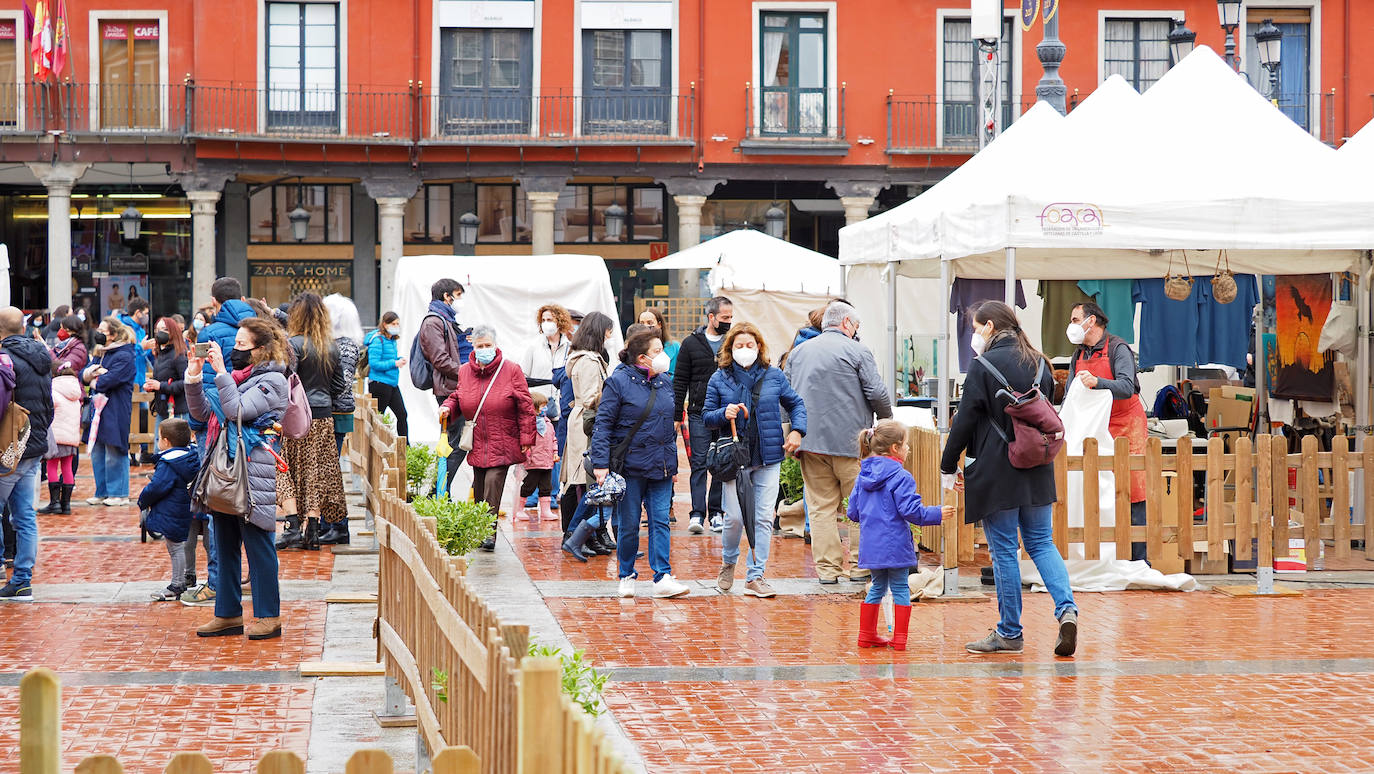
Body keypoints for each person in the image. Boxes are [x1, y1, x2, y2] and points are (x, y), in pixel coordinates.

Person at [940, 300, 1078, 657]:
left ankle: (1010, 633)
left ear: (989, 327)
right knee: (1042, 543)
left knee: (1003, 550)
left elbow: (965, 420)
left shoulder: (983, 366)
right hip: (1036, 466)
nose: (974, 335)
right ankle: (1067, 610)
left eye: (975, 328)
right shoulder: (1039, 363)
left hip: (996, 470)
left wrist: (947, 464)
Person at [185, 318, 289, 640]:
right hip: (225, 470)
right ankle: (228, 614)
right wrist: (193, 375)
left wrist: (219, 373)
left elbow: (236, 410)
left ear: (261, 350)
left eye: (242, 345)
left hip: (252, 470)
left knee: (258, 545)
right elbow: (203, 413)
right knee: (226, 541)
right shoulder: (236, 378)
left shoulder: (272, 381)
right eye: (236, 344)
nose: (235, 350)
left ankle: (269, 616)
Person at [784, 300, 892, 585]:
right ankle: (859, 566)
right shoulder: (858, 350)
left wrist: (791, 432)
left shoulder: (798, 353)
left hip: (810, 442)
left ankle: (828, 570)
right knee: (861, 505)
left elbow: (786, 397)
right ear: (846, 323)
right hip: (852, 444)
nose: (857, 331)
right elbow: (877, 392)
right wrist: (887, 420)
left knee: (820, 508)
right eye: (856, 325)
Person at [703, 322, 806, 599]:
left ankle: (755, 575)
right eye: (739, 346)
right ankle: (728, 561)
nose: (745, 350)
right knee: (734, 518)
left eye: (750, 345)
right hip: (734, 459)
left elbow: (795, 403)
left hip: (768, 456)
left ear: (759, 347)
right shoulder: (719, 378)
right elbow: (706, 416)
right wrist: (723, 413)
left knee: (762, 518)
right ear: (730, 349)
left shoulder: (774, 376)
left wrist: (797, 430)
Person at [591, 330, 690, 599]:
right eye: (658, 351)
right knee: (630, 523)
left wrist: (673, 467)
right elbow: (603, 425)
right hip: (630, 466)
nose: (664, 356)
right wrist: (600, 463)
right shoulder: (618, 382)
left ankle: (663, 576)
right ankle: (626, 575)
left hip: (661, 465)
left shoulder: (665, 382)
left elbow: (669, 428)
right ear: (643, 357)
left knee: (661, 520)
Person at [847, 420, 952, 650]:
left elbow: (852, 512)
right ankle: (900, 638)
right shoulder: (901, 477)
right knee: (900, 587)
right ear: (895, 448)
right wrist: (937, 513)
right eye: (906, 445)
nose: (908, 449)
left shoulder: (862, 476)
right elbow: (911, 511)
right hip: (895, 545)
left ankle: (866, 635)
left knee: (877, 586)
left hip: (871, 546)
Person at [438, 324, 534, 551]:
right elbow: (459, 396)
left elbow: (526, 405)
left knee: (493, 481)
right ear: (472, 346)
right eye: (480, 346)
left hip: (504, 438)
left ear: (495, 345)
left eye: (488, 345)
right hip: (478, 440)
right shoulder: (464, 371)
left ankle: (488, 533)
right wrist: (448, 407)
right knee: (480, 486)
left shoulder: (511, 369)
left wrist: (526, 438)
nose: (484, 349)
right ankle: (481, 528)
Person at [1067, 300, 1149, 563]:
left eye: (1075, 320)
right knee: (1095, 487)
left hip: (1127, 424)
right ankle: (1104, 555)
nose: (1072, 326)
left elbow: (1128, 387)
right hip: (1095, 426)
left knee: (1133, 488)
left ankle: (1139, 560)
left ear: (1092, 321)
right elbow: (1070, 394)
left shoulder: (1118, 349)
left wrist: (1098, 382)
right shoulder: (1078, 354)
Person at [277, 293, 349, 550]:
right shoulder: (331, 346)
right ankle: (314, 533)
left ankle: (293, 525)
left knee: (285, 469)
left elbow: (283, 381)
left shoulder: (291, 345)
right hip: (324, 416)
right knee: (316, 472)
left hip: (296, 417)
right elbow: (341, 386)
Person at [0, 307, 54, 600]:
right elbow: (49, 403)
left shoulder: (5, 359)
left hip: (9, 445)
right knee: (25, 516)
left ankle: (14, 576)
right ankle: (22, 579)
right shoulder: (41, 356)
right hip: (33, 444)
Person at [673, 296, 734, 535]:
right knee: (699, 463)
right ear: (712, 317)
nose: (729, 322)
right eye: (724, 318)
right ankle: (697, 513)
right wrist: (677, 414)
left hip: (725, 413)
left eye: (730, 317)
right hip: (698, 412)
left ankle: (717, 512)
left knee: (721, 462)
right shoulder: (690, 343)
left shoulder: (732, 342)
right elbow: (680, 381)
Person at [557, 312, 615, 557]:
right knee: (586, 483)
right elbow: (592, 397)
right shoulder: (590, 362)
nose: (610, 336)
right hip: (587, 423)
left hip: (581, 420)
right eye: (608, 331)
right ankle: (575, 535)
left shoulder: (582, 358)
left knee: (582, 482)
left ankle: (585, 535)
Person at [418, 279, 473, 492]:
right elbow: (439, 359)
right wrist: (467, 372)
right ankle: (438, 490)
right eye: (458, 295)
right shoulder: (433, 321)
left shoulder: (445, 319)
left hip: (453, 386)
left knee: (455, 440)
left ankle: (441, 490)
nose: (461, 300)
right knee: (457, 442)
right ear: (446, 296)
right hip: (448, 389)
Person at [518, 304, 573, 511]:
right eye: (544, 319)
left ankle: (550, 492)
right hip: (536, 405)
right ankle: (531, 492)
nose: (547, 323)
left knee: (554, 451)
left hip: (560, 404)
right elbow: (523, 375)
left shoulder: (569, 346)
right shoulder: (533, 346)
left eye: (551, 319)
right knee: (533, 451)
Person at [139, 418, 199, 602]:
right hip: (192, 507)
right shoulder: (193, 455)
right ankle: (190, 575)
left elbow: (157, 487)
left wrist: (142, 500)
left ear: (166, 441)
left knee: (175, 547)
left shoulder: (169, 462)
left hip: (174, 510)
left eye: (159, 438)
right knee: (190, 543)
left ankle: (177, 584)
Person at [82, 317, 136, 508]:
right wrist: (93, 375)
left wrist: (95, 378)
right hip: (98, 408)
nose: (99, 332)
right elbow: (85, 374)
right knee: (98, 451)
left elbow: (108, 380)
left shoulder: (125, 355)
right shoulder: (101, 352)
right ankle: (102, 491)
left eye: (103, 330)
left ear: (113, 334)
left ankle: (119, 493)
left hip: (116, 408)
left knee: (114, 449)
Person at [40, 315, 88, 515]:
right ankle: (66, 504)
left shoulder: (54, 389)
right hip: (71, 436)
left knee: (52, 466)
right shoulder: (75, 392)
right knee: (67, 467)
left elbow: (49, 411)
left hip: (56, 436)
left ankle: (54, 502)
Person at [323, 293, 363, 456]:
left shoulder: (346, 345)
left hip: (337, 410)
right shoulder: (332, 342)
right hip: (329, 408)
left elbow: (343, 382)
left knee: (330, 460)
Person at [364, 312, 409, 439]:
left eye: (397, 324)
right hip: (379, 384)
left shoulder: (392, 340)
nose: (396, 326)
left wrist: (398, 360)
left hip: (391, 383)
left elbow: (388, 358)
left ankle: (405, 448)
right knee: (378, 418)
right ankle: (374, 446)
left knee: (402, 414)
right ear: (385, 324)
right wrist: (394, 363)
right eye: (393, 324)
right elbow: (374, 364)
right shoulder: (378, 340)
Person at [516, 392, 559, 523]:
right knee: (528, 486)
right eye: (542, 406)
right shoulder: (528, 424)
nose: (545, 409)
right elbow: (523, 441)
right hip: (532, 463)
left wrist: (555, 453)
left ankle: (546, 511)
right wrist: (525, 456)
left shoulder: (549, 424)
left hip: (547, 463)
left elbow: (553, 440)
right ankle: (519, 509)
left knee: (546, 487)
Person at [145, 317, 189, 420]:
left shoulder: (179, 354)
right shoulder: (159, 354)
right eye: (158, 330)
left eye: (164, 329)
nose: (160, 333)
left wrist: (160, 386)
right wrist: (152, 385)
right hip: (162, 410)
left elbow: (186, 383)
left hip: (177, 411)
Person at [638, 307, 680, 377]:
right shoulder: (635, 348)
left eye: (650, 323)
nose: (645, 326)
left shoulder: (674, 346)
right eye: (642, 323)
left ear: (659, 324)